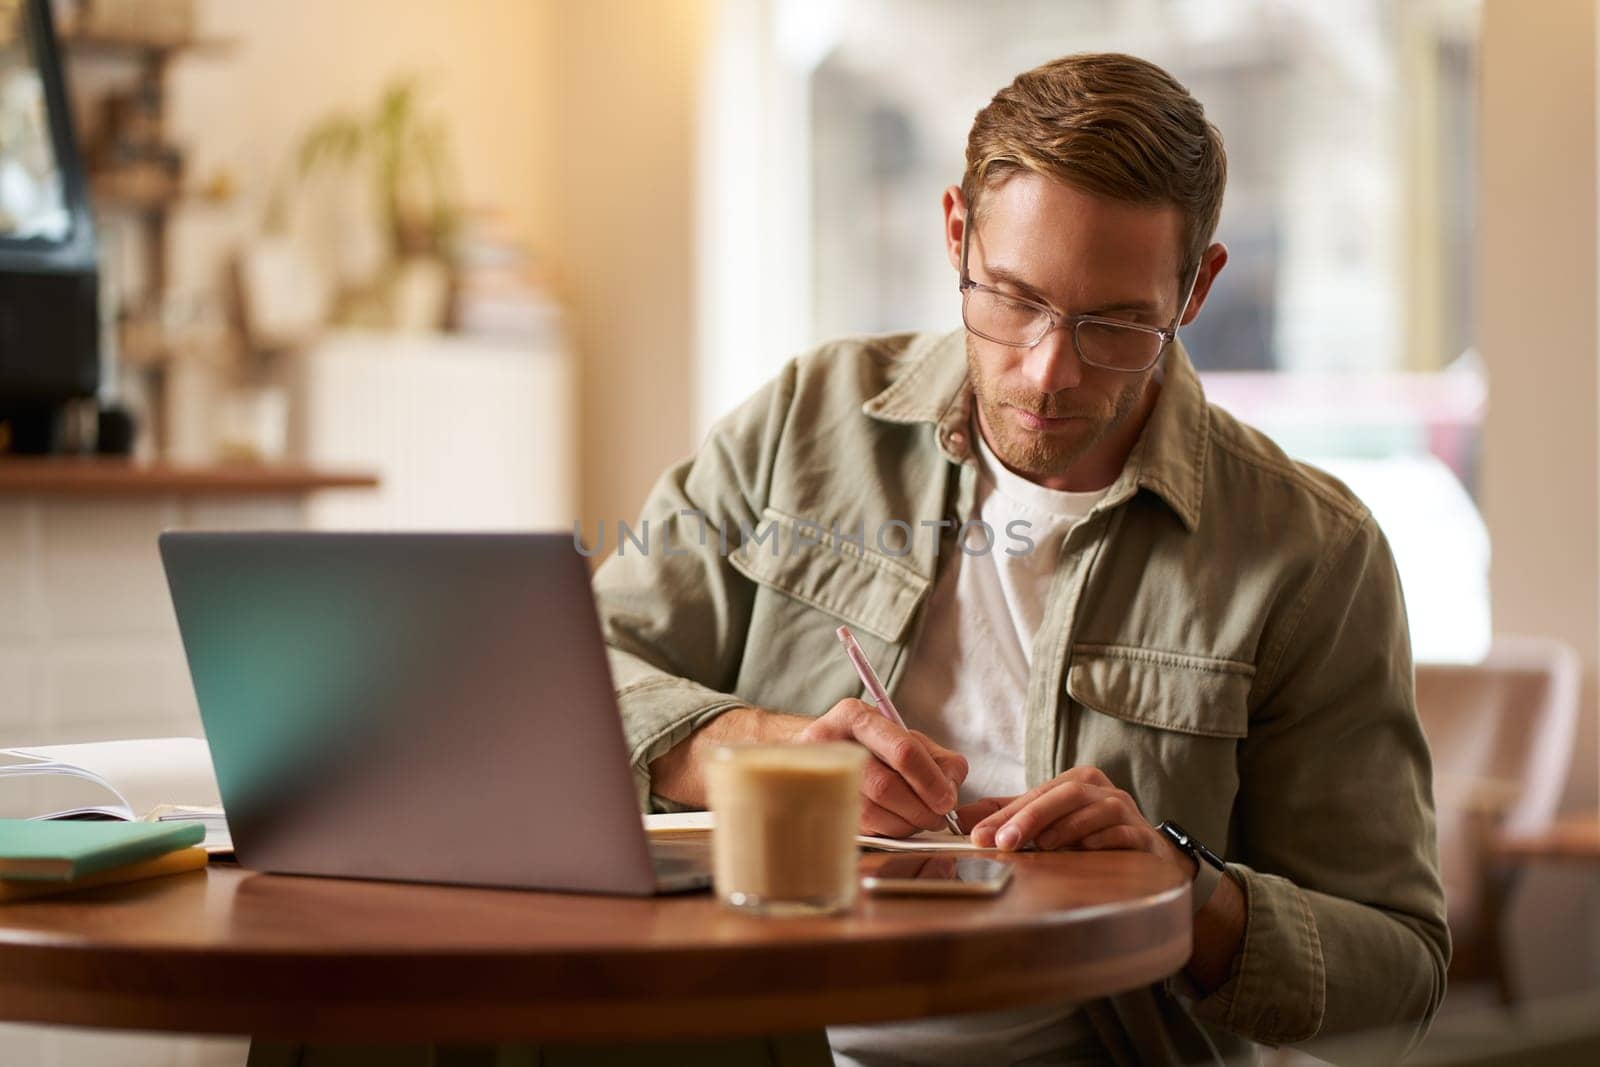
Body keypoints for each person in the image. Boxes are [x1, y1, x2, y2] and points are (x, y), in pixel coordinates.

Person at [591, 51, 1449, 1065]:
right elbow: (577, 681)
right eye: (1011, 297)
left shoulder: (1310, 552)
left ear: (1197, 287)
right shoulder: (803, 422)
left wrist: (1186, 891)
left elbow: (1398, 969)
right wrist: (751, 750)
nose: (1048, 368)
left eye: (1116, 323)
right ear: (955, 232)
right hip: (749, 1037)